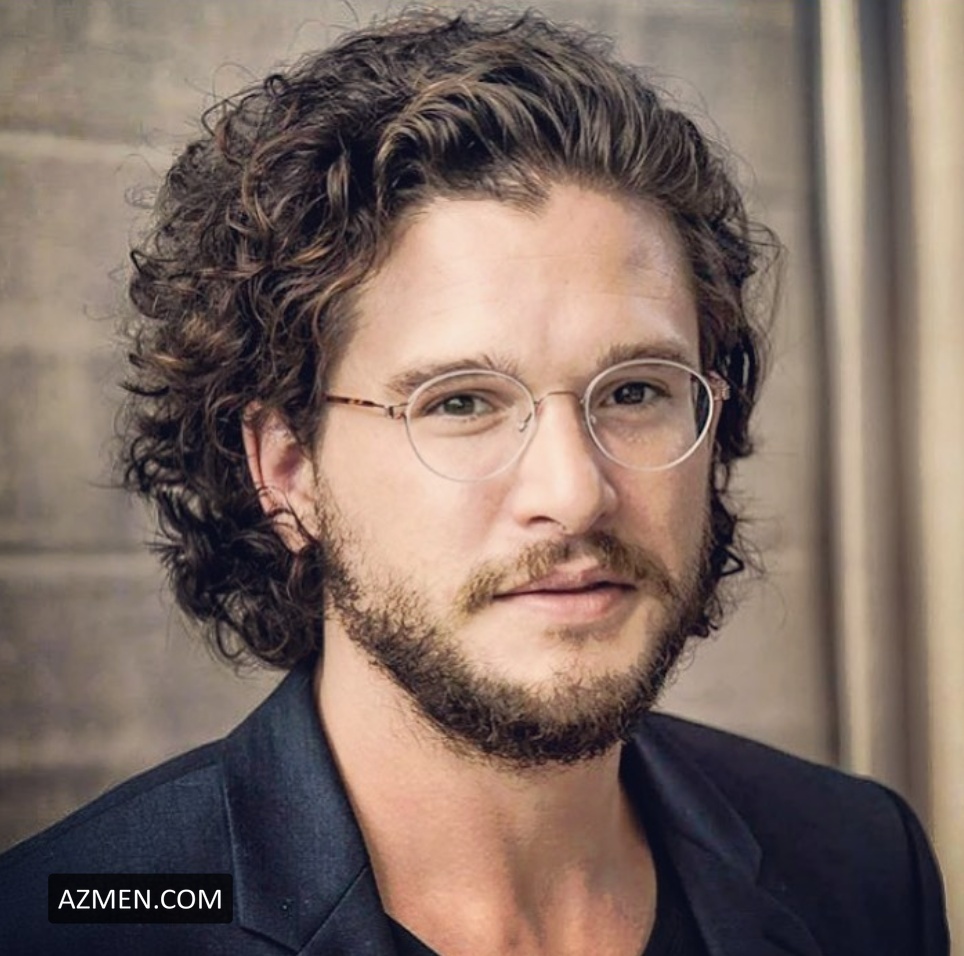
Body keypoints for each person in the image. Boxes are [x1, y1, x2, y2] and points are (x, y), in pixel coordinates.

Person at [0, 9, 949, 955]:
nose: (575, 493)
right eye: (461, 403)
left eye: (634, 391)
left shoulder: (859, 865)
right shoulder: (73, 926)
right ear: (288, 469)